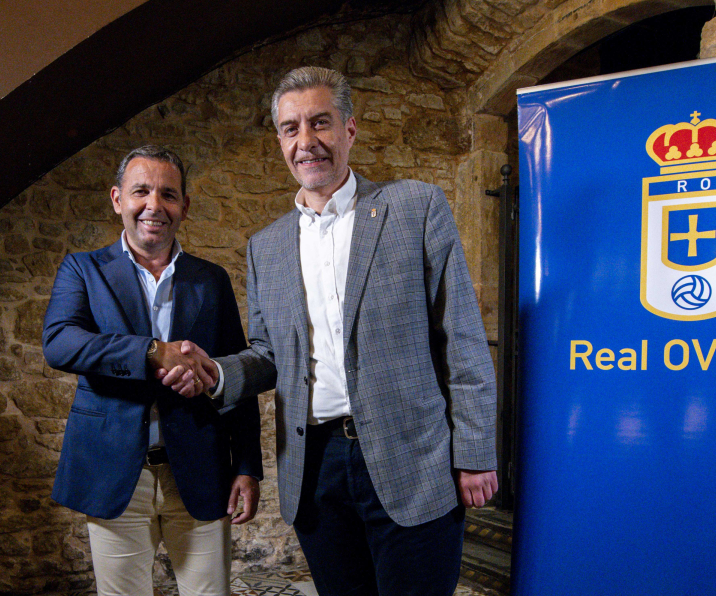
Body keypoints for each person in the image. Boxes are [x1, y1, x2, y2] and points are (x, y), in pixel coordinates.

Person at [164, 67, 498, 596]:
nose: (306, 142)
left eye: (320, 123)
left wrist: (476, 453)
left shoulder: (414, 207)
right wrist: (219, 373)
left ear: (350, 129)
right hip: (315, 466)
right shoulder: (266, 246)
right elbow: (270, 353)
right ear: (279, 140)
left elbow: (460, 335)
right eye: (291, 128)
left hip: (414, 457)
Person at [42, 145, 262, 596]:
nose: (154, 205)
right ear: (118, 199)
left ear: (184, 206)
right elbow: (60, 342)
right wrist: (150, 351)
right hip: (115, 472)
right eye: (141, 191)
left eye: (168, 194)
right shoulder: (83, 269)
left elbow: (238, 375)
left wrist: (247, 465)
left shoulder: (211, 279)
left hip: (201, 470)